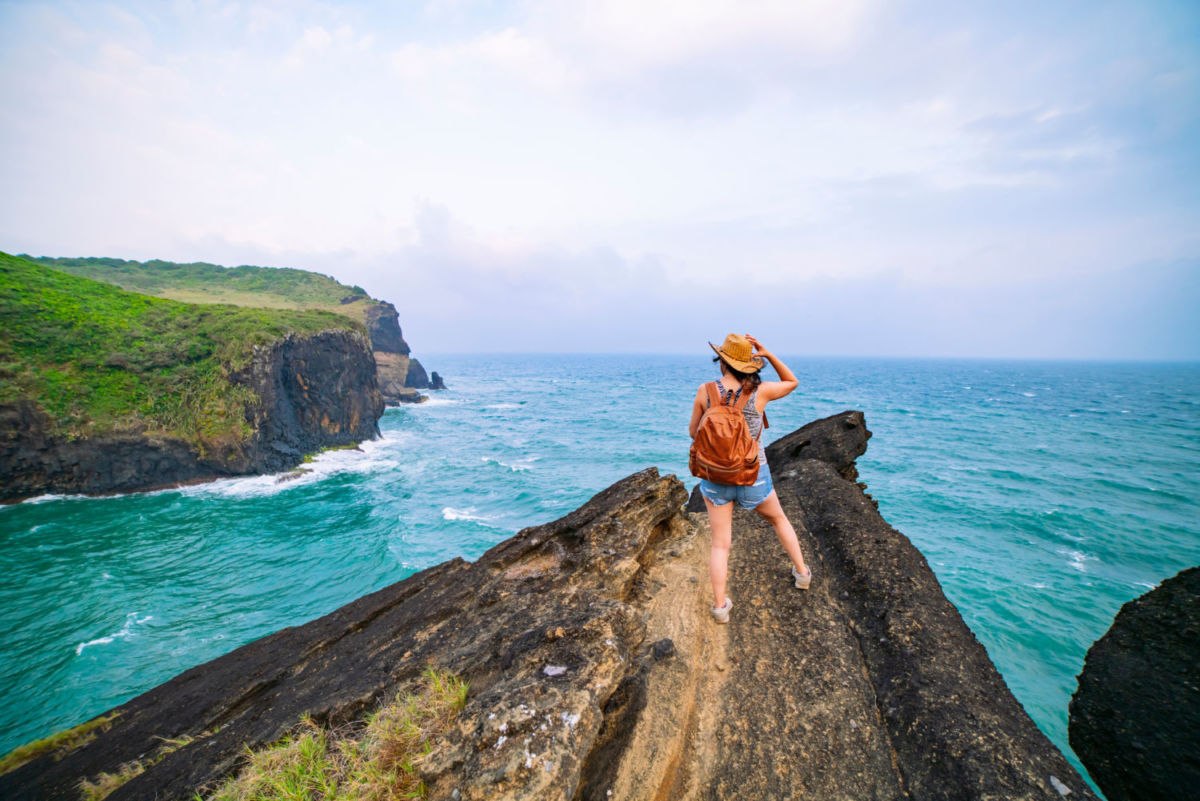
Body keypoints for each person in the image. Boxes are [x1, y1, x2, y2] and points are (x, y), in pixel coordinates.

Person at [688, 333, 812, 624]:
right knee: (779, 519)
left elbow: (693, 432)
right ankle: (803, 574)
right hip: (753, 476)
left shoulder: (705, 391)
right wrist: (768, 355)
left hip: (715, 479)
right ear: (749, 365)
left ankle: (720, 608)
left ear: (722, 362)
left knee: (720, 544)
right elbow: (792, 381)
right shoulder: (762, 391)